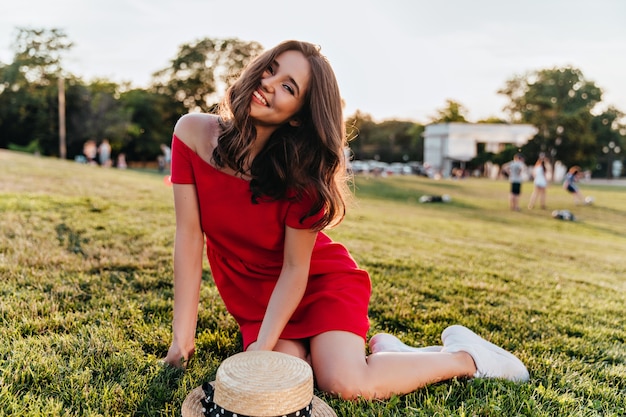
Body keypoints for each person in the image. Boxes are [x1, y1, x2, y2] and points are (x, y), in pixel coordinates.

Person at [164, 40, 529, 400]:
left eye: (288, 87)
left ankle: (464, 357)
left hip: (317, 284)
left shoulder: (302, 174)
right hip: (256, 297)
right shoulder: (192, 133)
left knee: (343, 383)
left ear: (297, 115)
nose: (268, 84)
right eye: (270, 69)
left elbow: (295, 268)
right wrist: (183, 338)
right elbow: (190, 237)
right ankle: (394, 355)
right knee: (291, 378)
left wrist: (262, 345)